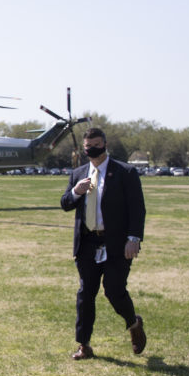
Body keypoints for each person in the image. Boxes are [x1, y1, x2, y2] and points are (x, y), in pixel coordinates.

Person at [61, 127, 146, 361]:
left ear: (105, 144)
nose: (92, 150)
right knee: (85, 293)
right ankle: (84, 345)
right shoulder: (78, 173)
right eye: (88, 147)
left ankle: (133, 323)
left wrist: (134, 239)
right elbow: (65, 203)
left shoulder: (125, 172)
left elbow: (137, 209)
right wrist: (76, 193)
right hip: (88, 243)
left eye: (97, 145)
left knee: (114, 290)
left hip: (116, 243)